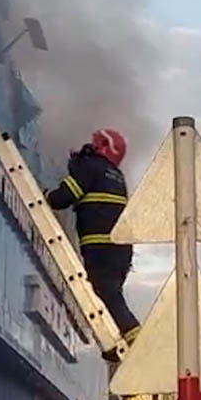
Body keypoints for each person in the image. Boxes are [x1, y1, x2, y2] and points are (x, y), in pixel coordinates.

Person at [45, 128, 140, 362]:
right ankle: (112, 343)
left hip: (101, 248)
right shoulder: (116, 176)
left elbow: (64, 197)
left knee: (107, 292)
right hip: (120, 251)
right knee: (105, 295)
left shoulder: (90, 167)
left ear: (100, 146)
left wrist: (47, 195)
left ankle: (136, 339)